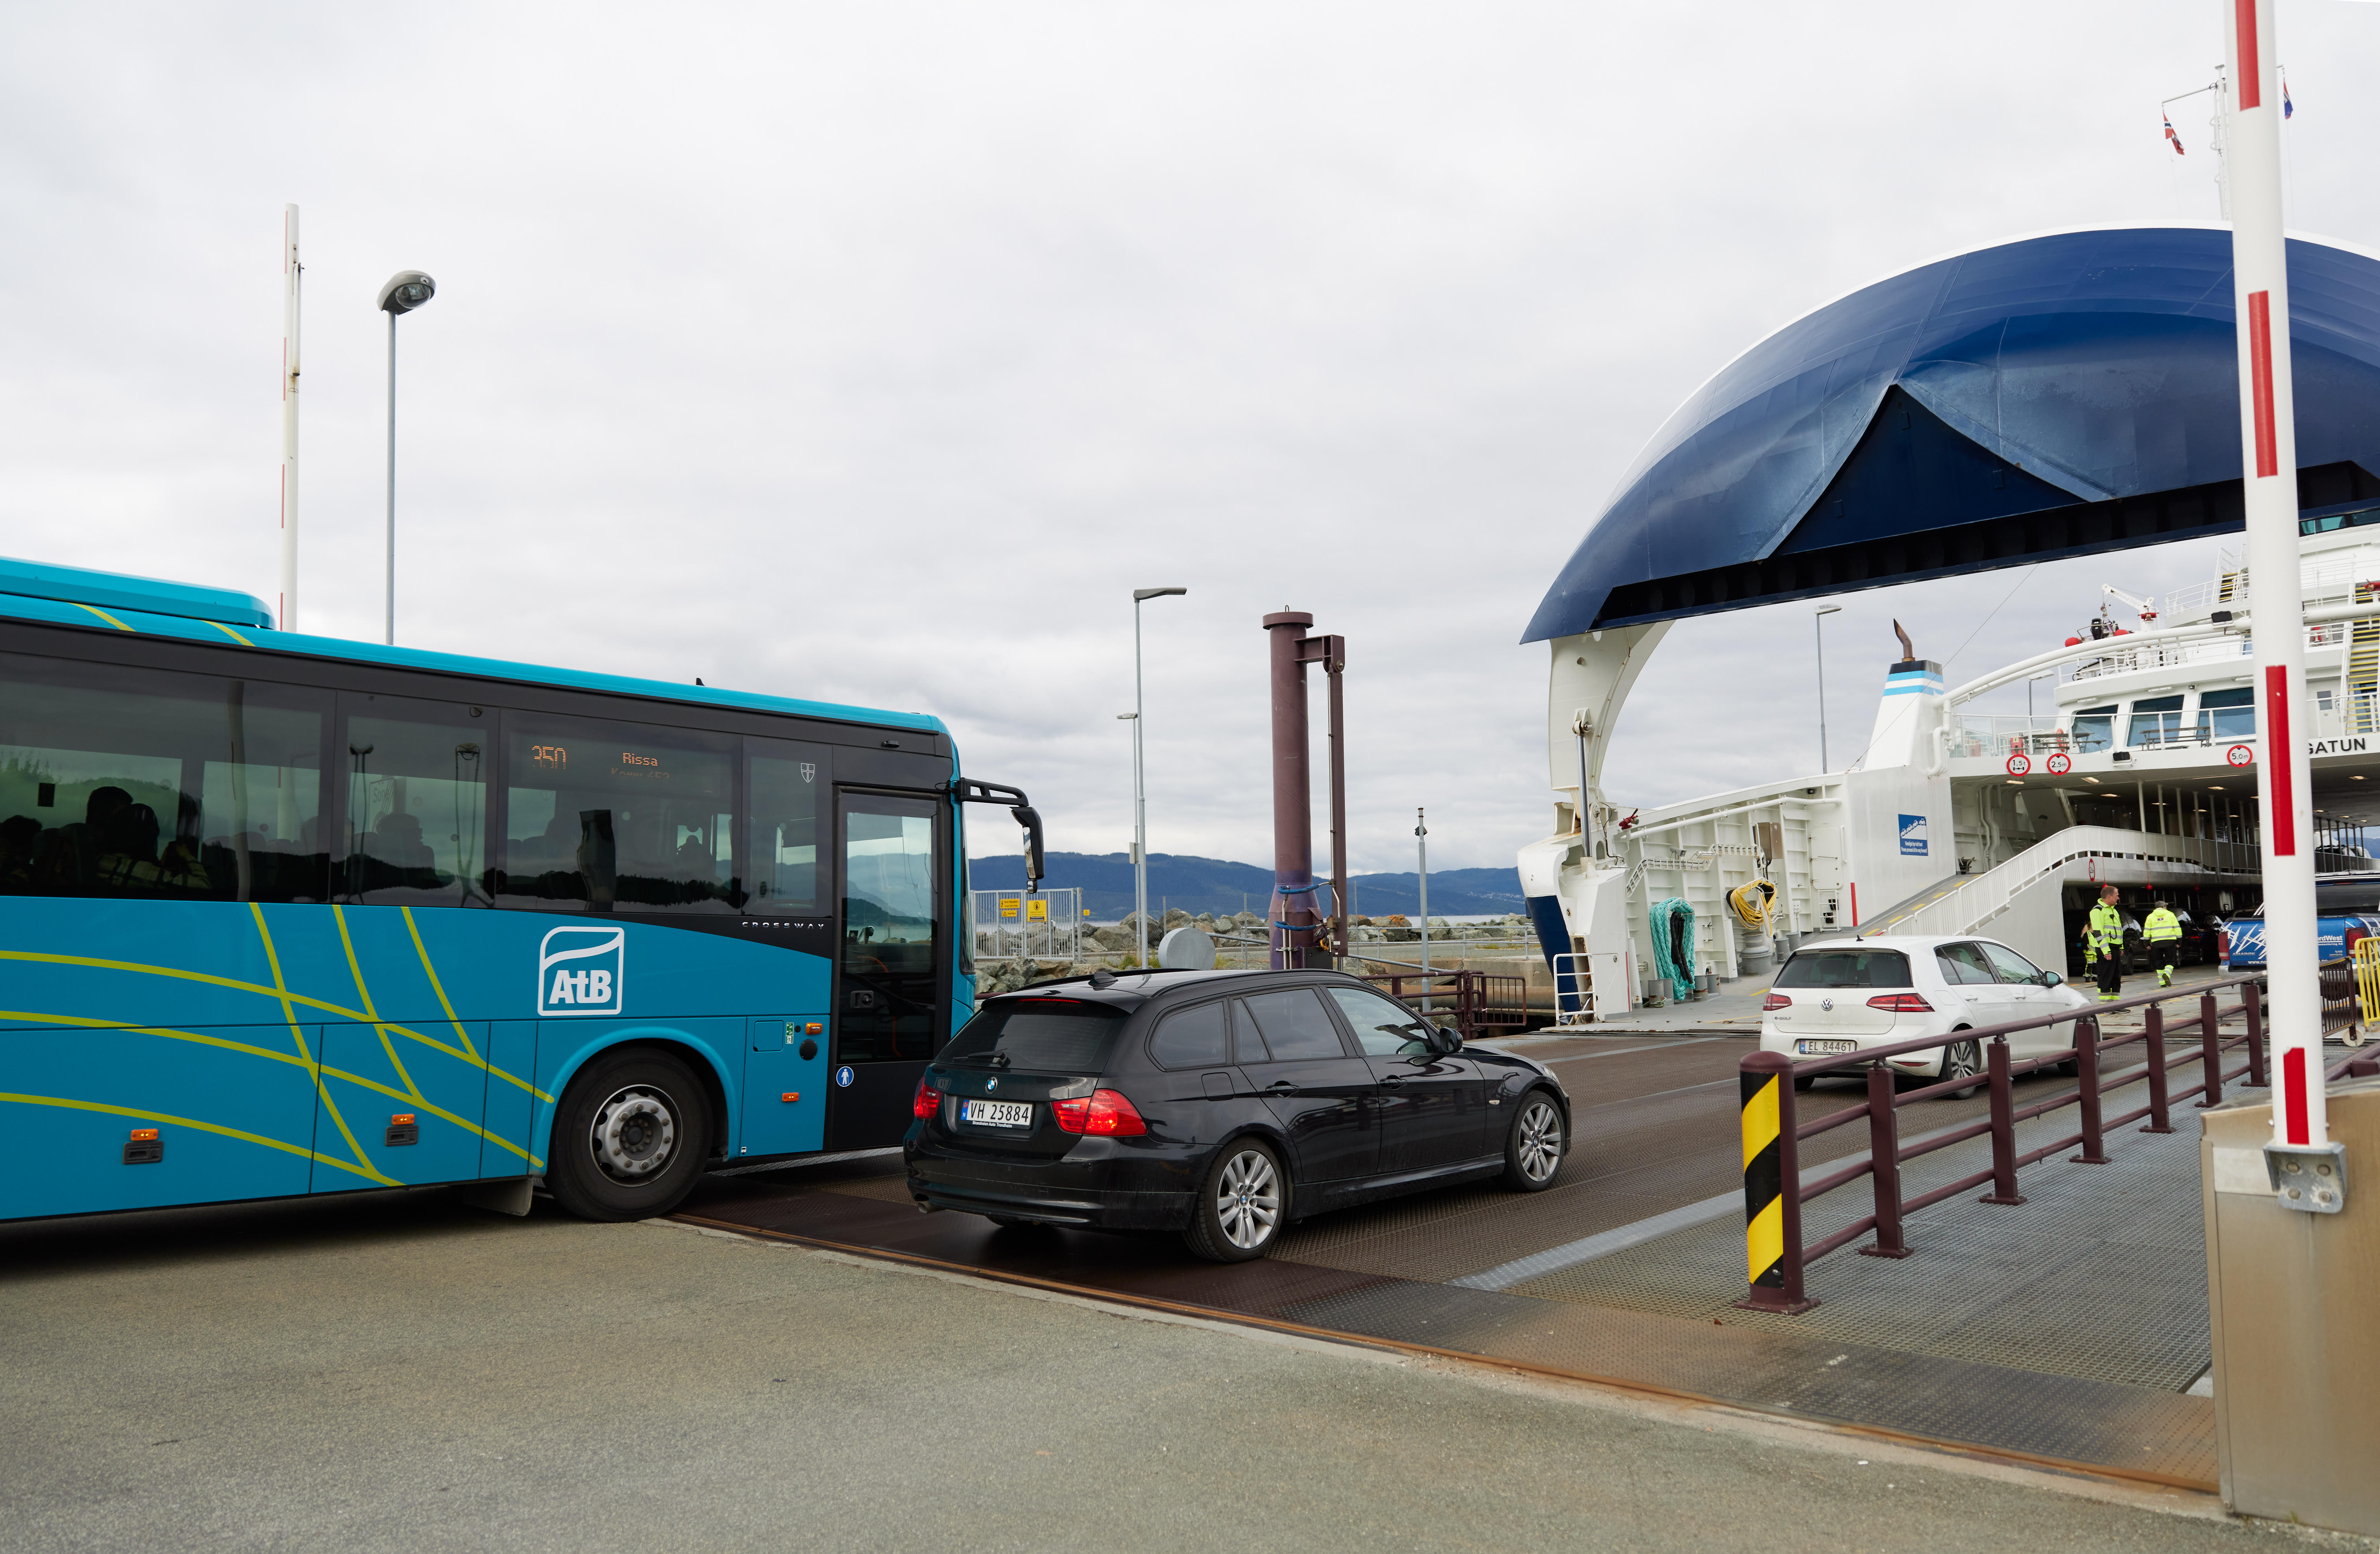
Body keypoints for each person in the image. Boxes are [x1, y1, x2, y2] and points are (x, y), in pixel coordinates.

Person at [2087, 884, 2126, 1002]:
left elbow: (2119, 931)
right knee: (2106, 977)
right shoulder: (2097, 911)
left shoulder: (2114, 911)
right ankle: (2105, 1005)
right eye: (2117, 896)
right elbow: (2098, 932)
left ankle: (2115, 1005)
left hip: (2115, 949)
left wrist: (2121, 947)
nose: (2118, 898)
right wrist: (2106, 951)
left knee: (2116, 977)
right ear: (2109, 897)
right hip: (2106, 949)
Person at [2143, 898, 2183, 988]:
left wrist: (2147, 944)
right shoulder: (2171, 915)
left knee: (2159, 962)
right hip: (2170, 942)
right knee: (2171, 961)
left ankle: (2162, 983)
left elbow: (2147, 931)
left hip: (2156, 943)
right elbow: (2177, 929)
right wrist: (2179, 941)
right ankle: (2167, 974)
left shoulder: (2150, 917)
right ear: (2164, 907)